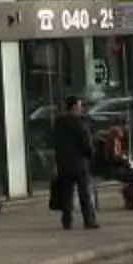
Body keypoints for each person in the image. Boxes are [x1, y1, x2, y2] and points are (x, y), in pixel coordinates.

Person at [49, 96, 99, 229]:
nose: (81, 108)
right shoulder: (79, 123)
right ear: (74, 107)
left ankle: (67, 221)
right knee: (84, 193)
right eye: (79, 106)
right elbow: (86, 144)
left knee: (67, 193)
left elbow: (54, 141)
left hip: (63, 163)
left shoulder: (58, 123)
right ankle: (89, 221)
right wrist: (90, 155)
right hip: (79, 163)